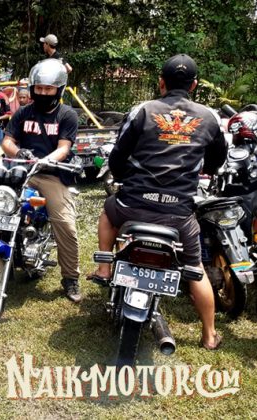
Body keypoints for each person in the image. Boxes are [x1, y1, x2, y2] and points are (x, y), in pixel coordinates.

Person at [89, 54, 227, 350]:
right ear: (194, 85)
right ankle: (209, 335)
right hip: (178, 214)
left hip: (133, 204)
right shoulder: (210, 117)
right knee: (195, 268)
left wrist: (123, 176)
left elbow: (118, 155)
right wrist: (204, 169)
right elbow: (217, 160)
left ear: (161, 82)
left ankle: (104, 268)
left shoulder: (143, 110)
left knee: (108, 212)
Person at [2, 58, 82, 303]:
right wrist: (19, 153)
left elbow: (64, 148)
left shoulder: (67, 115)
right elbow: (7, 141)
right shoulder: (23, 112)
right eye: (39, 88)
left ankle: (70, 278)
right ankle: (2, 256)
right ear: (33, 88)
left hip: (51, 174)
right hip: (22, 171)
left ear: (59, 89)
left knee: (65, 224)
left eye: (49, 89)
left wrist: (45, 160)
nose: (44, 93)